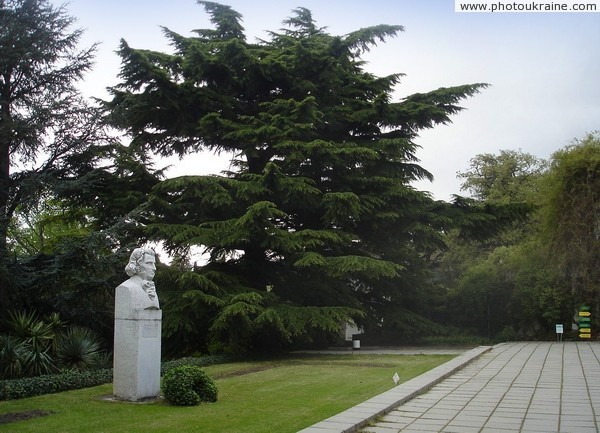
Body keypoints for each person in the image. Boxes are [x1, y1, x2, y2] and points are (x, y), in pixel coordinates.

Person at [116, 247, 160, 311]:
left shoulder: (152, 288)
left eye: (154, 264)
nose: (154, 268)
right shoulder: (126, 288)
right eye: (149, 263)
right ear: (137, 265)